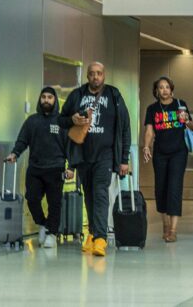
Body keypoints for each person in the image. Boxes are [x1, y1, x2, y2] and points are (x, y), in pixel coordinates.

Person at [59, 62, 131, 257]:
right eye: (92, 74)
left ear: (104, 75)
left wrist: (124, 158)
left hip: (105, 155)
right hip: (83, 155)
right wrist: (72, 119)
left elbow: (125, 126)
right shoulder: (77, 95)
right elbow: (61, 120)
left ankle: (100, 238)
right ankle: (91, 233)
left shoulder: (114, 95)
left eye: (99, 73)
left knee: (100, 193)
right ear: (88, 76)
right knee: (89, 194)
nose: (95, 77)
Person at [6, 87, 73, 248]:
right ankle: (43, 224)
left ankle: (52, 234)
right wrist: (15, 153)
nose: (46, 100)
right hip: (35, 168)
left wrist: (71, 167)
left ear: (55, 100)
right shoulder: (32, 121)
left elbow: (70, 146)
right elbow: (22, 140)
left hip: (56, 168)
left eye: (50, 97)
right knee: (32, 199)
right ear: (39, 100)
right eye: (43, 97)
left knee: (54, 203)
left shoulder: (62, 121)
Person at [142, 76, 193, 243]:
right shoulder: (152, 109)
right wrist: (146, 146)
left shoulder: (180, 104)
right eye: (160, 87)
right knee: (161, 189)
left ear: (171, 89)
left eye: (166, 87)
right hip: (160, 152)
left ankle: (173, 230)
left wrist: (186, 119)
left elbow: (192, 126)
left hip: (179, 151)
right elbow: (150, 131)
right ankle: (165, 226)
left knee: (174, 188)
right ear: (156, 91)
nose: (164, 90)